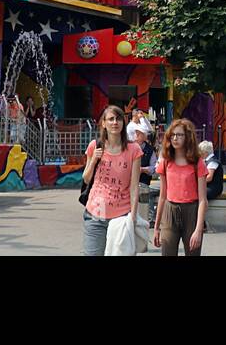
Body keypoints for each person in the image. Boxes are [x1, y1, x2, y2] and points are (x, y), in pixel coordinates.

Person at [81, 105, 141, 256]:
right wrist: (94, 159)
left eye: (118, 119)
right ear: (103, 123)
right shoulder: (95, 146)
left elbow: (134, 187)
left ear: (123, 122)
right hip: (96, 212)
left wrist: (133, 217)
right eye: (111, 119)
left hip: (121, 215)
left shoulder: (134, 150)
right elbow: (86, 178)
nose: (115, 122)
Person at [153, 119, 207, 257]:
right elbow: (162, 196)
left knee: (193, 253)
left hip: (191, 210)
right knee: (168, 253)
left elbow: (203, 200)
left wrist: (198, 230)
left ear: (188, 137)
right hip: (170, 210)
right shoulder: (165, 161)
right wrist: (156, 226)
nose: (175, 138)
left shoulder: (197, 162)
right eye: (172, 135)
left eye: (179, 135)